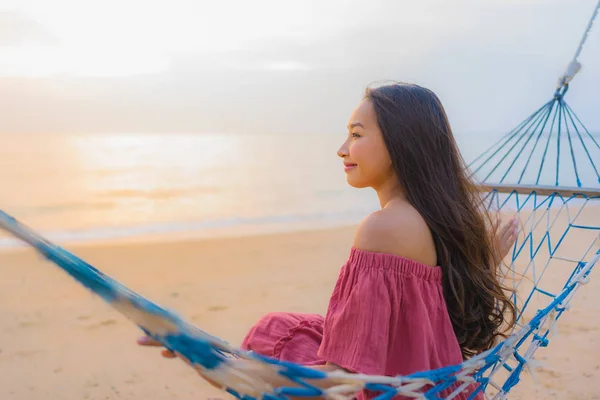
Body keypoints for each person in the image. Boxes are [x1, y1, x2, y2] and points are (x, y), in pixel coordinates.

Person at [137, 82, 519, 399]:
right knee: (283, 327)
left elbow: (341, 380)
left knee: (275, 337)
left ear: (401, 143)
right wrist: (485, 264)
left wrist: (214, 363)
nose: (341, 149)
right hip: (432, 383)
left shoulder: (384, 228)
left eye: (355, 135)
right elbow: (433, 316)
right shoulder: (436, 217)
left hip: (395, 390)